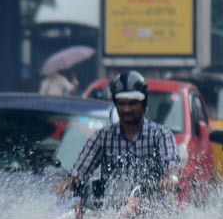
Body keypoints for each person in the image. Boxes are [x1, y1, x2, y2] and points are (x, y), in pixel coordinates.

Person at [54, 70, 181, 208]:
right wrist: (67, 183)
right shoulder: (103, 137)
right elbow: (80, 170)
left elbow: (171, 163)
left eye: (132, 104)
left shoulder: (161, 134)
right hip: (113, 213)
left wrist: (169, 178)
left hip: (154, 212)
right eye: (122, 104)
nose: (127, 109)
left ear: (143, 104)